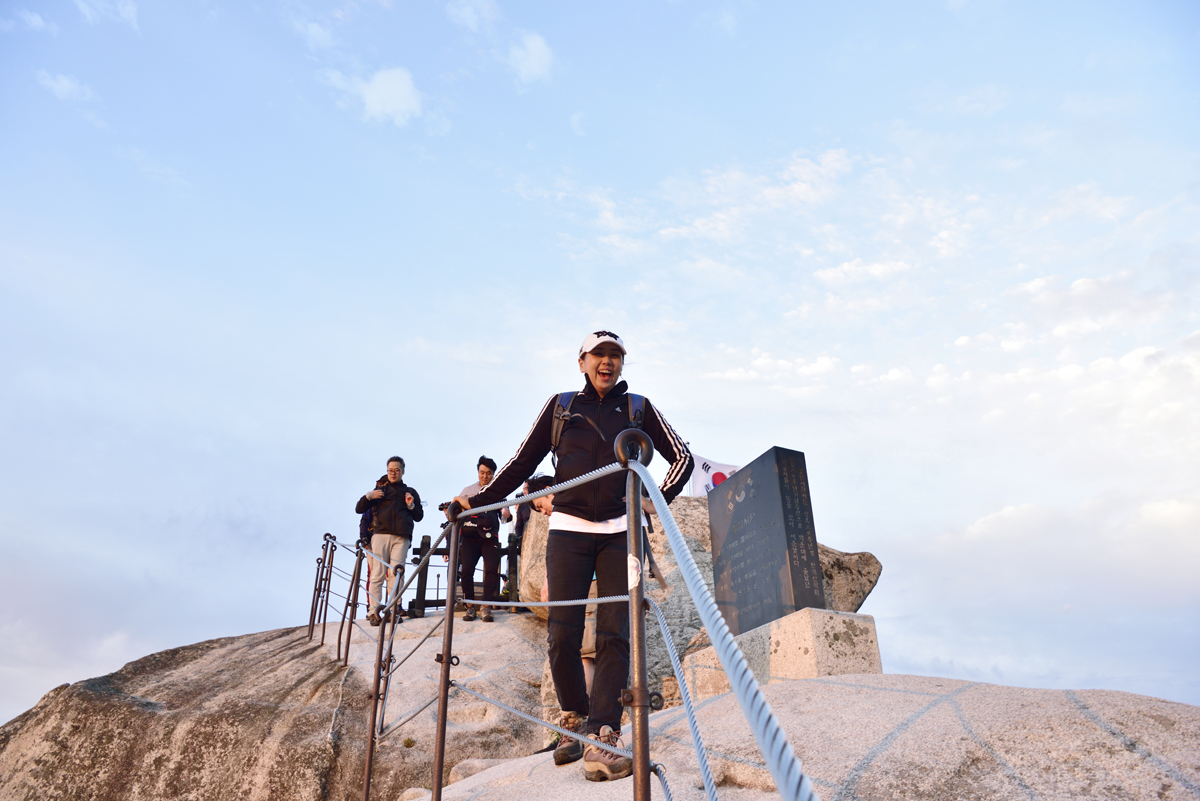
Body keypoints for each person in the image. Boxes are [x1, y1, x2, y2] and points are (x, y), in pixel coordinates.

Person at [450, 331, 693, 782]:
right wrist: (476, 499)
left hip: (622, 533)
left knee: (615, 633)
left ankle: (604, 733)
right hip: (568, 531)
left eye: (615, 356)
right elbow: (522, 462)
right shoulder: (562, 406)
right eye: (599, 354)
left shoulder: (638, 407)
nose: (607, 362)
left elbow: (682, 458)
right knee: (562, 634)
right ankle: (574, 720)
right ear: (581, 361)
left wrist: (656, 499)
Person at [355, 457, 423, 625]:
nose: (393, 473)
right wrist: (369, 496)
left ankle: (394, 610)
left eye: (397, 470)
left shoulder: (410, 492)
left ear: (403, 471)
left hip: (402, 536)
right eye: (390, 470)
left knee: (396, 574)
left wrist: (411, 505)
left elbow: (419, 516)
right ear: (387, 471)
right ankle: (374, 612)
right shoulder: (380, 491)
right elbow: (359, 509)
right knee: (377, 574)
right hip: (380, 535)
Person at [457, 456, 503, 623]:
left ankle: (486, 606)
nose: (485, 476)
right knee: (467, 569)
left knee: (492, 569)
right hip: (470, 536)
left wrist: (506, 513)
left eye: (489, 473)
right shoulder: (468, 490)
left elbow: (505, 512)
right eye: (482, 472)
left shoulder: (499, 490)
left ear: (493, 474)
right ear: (478, 472)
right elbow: (455, 510)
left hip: (490, 536)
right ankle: (470, 606)